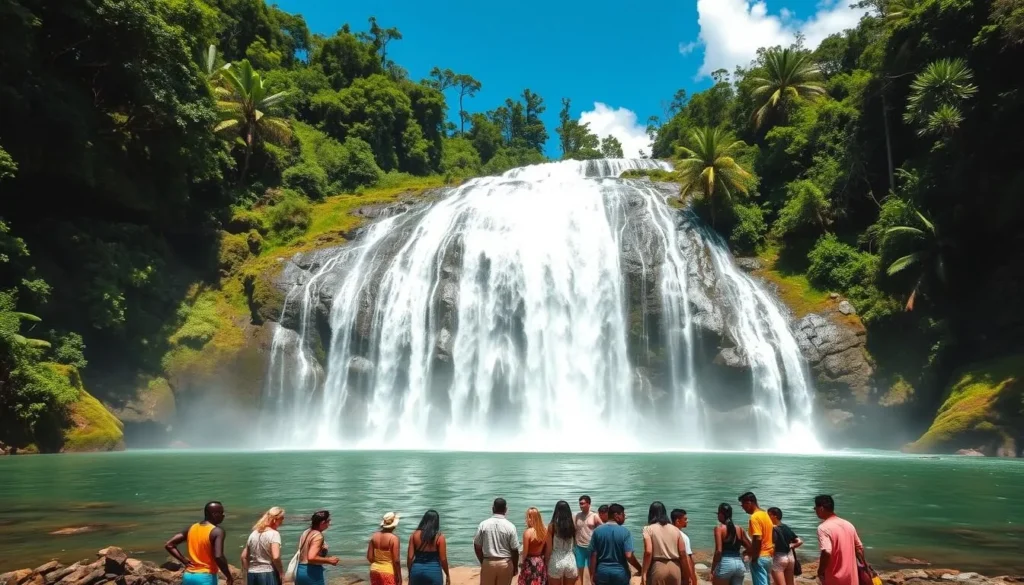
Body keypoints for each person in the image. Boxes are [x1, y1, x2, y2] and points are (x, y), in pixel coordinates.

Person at [164, 502, 233, 585]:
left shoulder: (192, 528)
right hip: (205, 577)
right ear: (214, 514)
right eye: (221, 512)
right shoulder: (217, 531)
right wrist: (228, 576)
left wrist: (184, 561)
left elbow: (169, 545)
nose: (223, 515)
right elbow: (218, 556)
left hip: (189, 575)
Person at [814, 495, 865, 585]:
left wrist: (820, 572)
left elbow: (826, 551)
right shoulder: (848, 525)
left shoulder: (823, 528)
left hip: (835, 579)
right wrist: (865, 568)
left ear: (821, 508)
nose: (814, 511)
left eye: (815, 508)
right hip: (852, 579)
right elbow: (859, 549)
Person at [588, 504, 641, 585]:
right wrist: (640, 568)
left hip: (602, 573)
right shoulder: (625, 532)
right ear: (616, 515)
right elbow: (629, 555)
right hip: (620, 573)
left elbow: (593, 555)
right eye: (623, 514)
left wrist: (592, 575)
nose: (624, 517)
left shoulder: (597, 531)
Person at [475, 498, 521, 585]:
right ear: (505, 510)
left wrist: (483, 561)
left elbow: (477, 546)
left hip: (488, 562)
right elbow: (514, 549)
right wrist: (515, 567)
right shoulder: (510, 526)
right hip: (505, 563)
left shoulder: (483, 525)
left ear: (493, 508)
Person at [640, 502, 685, 585]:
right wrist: (686, 573)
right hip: (675, 567)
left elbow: (648, 552)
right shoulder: (675, 529)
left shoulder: (648, 529)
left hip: (658, 567)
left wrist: (644, 572)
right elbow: (682, 552)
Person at [241, 507, 285, 585]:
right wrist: (281, 572)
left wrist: (248, 570)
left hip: (252, 573)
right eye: (282, 519)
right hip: (267, 574)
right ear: (275, 520)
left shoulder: (254, 533)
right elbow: (276, 557)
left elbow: (243, 557)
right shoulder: (274, 534)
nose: (282, 522)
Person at [295, 510, 340, 585]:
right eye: (328, 521)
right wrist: (329, 560)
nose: (330, 523)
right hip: (311, 572)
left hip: (300, 570)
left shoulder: (306, 532)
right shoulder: (318, 536)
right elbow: (311, 557)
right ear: (322, 523)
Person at [739, 492, 774, 585]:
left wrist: (754, 556)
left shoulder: (754, 517)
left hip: (760, 556)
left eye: (743, 505)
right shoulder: (765, 514)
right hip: (769, 556)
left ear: (749, 503)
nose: (743, 508)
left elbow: (758, 538)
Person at [711, 503, 750, 585]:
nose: (717, 516)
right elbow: (750, 547)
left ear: (721, 515)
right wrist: (744, 553)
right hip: (739, 564)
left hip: (725, 563)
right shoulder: (739, 529)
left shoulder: (719, 528)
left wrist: (713, 569)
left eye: (718, 514)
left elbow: (718, 551)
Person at [408, 510, 450, 585]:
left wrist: (410, 572)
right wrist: (447, 574)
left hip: (417, 570)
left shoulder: (414, 535)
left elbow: (410, 557)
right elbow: (443, 559)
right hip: (434, 572)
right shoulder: (440, 537)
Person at [767, 507, 803, 585]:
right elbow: (800, 541)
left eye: (768, 515)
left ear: (775, 516)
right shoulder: (786, 527)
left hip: (779, 558)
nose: (767, 517)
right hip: (790, 558)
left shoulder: (772, 528)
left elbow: (771, 544)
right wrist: (791, 546)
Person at [547, 501, 578, 585]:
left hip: (556, 560)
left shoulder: (552, 526)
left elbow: (549, 549)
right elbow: (575, 545)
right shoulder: (573, 526)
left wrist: (546, 563)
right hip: (570, 560)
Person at [574, 495, 602, 584]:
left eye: (583, 503)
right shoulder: (577, 516)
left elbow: (602, 530)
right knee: (579, 572)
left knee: (592, 573)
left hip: (591, 548)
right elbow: (573, 530)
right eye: (580, 504)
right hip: (579, 547)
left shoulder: (594, 516)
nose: (581, 505)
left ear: (589, 504)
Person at [368, 512, 403, 585]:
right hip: (388, 572)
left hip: (374, 570)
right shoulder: (394, 539)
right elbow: (396, 560)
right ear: (394, 525)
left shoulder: (374, 536)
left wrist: (379, 564)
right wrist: (399, 576)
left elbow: (369, 557)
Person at [519, 507, 549, 585]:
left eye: (529, 516)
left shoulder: (528, 532)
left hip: (530, 562)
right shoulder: (545, 530)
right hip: (540, 561)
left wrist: (521, 563)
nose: (527, 519)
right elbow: (546, 549)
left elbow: (525, 552)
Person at [670, 509, 697, 585]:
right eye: (685, 519)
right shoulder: (683, 537)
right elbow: (687, 558)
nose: (687, 521)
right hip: (680, 571)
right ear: (678, 521)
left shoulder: (667, 533)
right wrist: (691, 577)